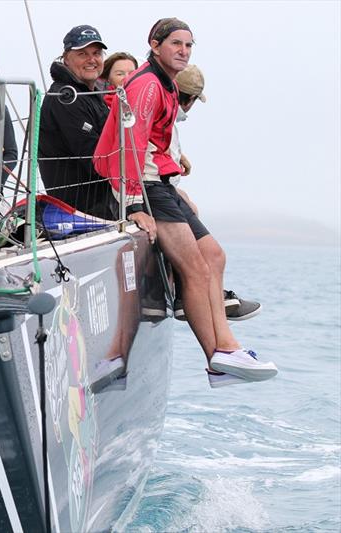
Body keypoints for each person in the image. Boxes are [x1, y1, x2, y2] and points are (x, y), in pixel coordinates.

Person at [93, 18, 277, 387]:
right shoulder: (146, 84)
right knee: (194, 269)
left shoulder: (168, 84)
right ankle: (219, 355)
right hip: (146, 186)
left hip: (162, 184)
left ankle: (225, 351)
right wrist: (133, 205)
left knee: (214, 256)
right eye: (176, 43)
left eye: (189, 45)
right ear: (155, 44)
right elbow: (131, 144)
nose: (183, 51)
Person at [169, 65, 262, 322]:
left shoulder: (167, 116)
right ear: (189, 100)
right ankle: (199, 303)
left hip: (166, 189)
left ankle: (191, 295)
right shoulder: (165, 112)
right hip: (159, 192)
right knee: (210, 256)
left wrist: (178, 158)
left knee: (194, 219)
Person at [39, 25, 117, 221]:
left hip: (103, 205)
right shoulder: (65, 96)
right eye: (82, 54)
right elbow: (96, 161)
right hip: (82, 213)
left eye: (96, 53)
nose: (91, 60)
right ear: (66, 58)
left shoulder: (91, 94)